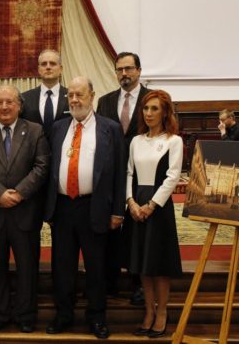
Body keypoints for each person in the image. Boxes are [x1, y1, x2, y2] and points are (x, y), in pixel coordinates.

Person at [44, 76, 125, 340]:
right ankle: (63, 314)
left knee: (96, 266)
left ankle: (97, 317)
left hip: (95, 206)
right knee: (62, 266)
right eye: (70, 95)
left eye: (80, 94)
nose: (75, 100)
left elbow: (120, 173)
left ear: (92, 96)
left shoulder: (110, 128)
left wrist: (118, 211)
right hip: (63, 208)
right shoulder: (58, 128)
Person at [0, 85, 50, 333]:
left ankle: (26, 315)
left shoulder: (35, 130)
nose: (4, 107)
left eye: (9, 102)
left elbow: (42, 166)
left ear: (19, 105)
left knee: (27, 268)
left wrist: (19, 193)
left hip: (25, 212)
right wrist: (0, 194)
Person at [126, 90, 183, 338]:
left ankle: (162, 312)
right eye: (146, 108)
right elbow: (129, 173)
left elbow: (172, 177)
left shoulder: (173, 141)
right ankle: (148, 311)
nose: (149, 113)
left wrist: (151, 205)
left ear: (165, 112)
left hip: (158, 207)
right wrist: (130, 202)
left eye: (155, 109)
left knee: (159, 264)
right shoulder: (136, 141)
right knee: (143, 264)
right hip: (136, 206)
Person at [96, 51, 149, 304]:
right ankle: (110, 281)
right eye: (120, 69)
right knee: (111, 229)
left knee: (138, 231)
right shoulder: (105, 101)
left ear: (139, 71)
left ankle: (139, 284)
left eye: (129, 68)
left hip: (143, 176)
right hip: (112, 176)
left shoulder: (153, 99)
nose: (124, 74)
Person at [21, 49, 70, 136]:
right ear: (39, 69)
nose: (48, 67)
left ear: (61, 69)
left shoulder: (72, 96)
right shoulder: (25, 98)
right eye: (44, 64)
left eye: (52, 63)